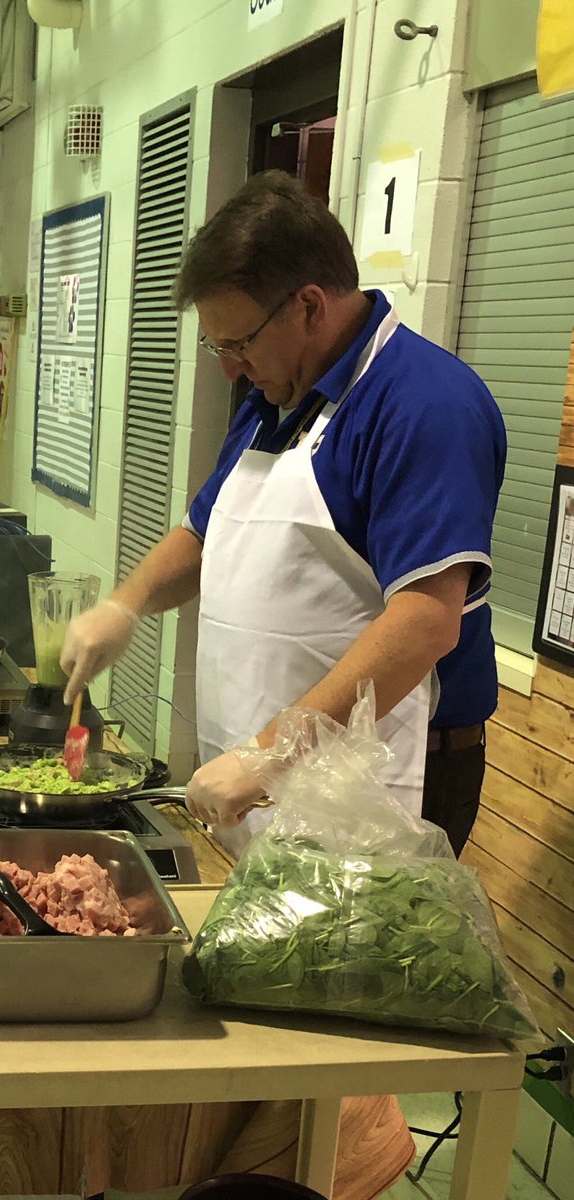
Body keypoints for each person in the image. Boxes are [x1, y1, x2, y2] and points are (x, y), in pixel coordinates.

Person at [60, 171, 505, 859]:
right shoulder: (278, 398)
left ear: (306, 305)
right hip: (275, 769)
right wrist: (124, 605)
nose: (228, 370)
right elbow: (204, 534)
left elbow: (423, 620)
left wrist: (271, 754)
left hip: (376, 780)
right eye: (216, 347)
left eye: (237, 344)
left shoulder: (423, 403)